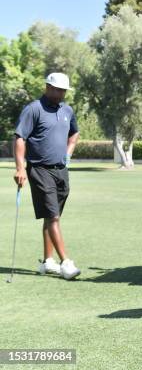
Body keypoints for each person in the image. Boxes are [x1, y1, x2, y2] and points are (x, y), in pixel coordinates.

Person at [13, 72, 81, 280]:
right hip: (39, 169)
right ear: (47, 87)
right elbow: (19, 138)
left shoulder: (67, 110)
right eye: (57, 89)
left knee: (51, 216)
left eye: (63, 90)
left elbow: (74, 132)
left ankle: (47, 261)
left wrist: (68, 153)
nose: (60, 93)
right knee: (53, 216)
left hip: (61, 170)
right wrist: (20, 168)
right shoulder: (33, 109)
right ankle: (66, 263)